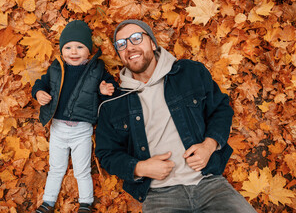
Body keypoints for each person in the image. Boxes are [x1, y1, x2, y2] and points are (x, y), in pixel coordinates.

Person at [95, 19, 256, 212]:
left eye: (136, 38)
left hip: (209, 184)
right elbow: (106, 153)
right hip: (160, 195)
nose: (129, 47)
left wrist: (208, 145)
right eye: (121, 44)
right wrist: (140, 168)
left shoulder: (190, 72)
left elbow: (220, 109)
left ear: (152, 43)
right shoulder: (113, 103)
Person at [32, 20, 117, 213]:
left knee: (82, 169)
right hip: (58, 129)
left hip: (82, 130)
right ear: (62, 50)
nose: (74, 52)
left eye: (80, 47)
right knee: (56, 168)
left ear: (89, 51)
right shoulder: (56, 68)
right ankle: (48, 201)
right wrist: (39, 93)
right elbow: (40, 84)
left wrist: (105, 89)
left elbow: (110, 86)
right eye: (68, 47)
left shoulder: (97, 69)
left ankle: (86, 202)